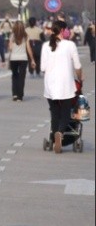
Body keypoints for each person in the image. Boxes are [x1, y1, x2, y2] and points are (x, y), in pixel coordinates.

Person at [41, 20, 83, 154]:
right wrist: (80, 77)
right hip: (66, 84)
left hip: (50, 84)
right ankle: (60, 132)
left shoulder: (46, 45)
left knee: (54, 113)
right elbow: (77, 66)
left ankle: (54, 137)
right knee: (65, 112)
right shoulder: (70, 45)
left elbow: (42, 67)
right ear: (64, 31)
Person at [7, 20, 33, 101]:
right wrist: (32, 59)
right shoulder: (26, 36)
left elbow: (10, 48)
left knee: (15, 76)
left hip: (14, 58)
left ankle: (14, 94)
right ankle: (20, 95)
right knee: (22, 77)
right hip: (23, 58)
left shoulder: (12, 36)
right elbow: (28, 48)